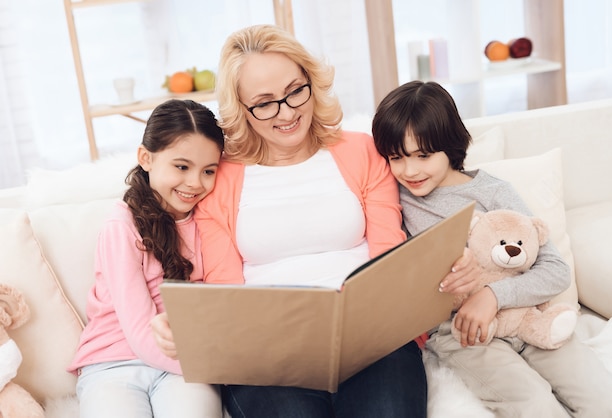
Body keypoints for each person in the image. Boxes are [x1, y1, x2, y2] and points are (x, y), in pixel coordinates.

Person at [151, 25, 478, 418]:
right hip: (266, 353)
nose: (287, 112)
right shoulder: (220, 177)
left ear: (311, 81)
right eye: (265, 103)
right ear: (242, 108)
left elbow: (391, 257)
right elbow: (224, 288)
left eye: (295, 91)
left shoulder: (363, 152)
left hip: (371, 338)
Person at [371, 80, 612, 418]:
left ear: (449, 145)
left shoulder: (493, 192)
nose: (409, 170)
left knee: (607, 403)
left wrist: (492, 295)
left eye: (423, 155)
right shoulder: (393, 199)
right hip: (463, 332)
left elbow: (554, 270)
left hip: (529, 318)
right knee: (536, 406)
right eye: (396, 158)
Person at [67, 99, 225, 418]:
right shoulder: (121, 226)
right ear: (146, 158)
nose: (195, 182)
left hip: (179, 367)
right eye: (182, 166)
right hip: (112, 364)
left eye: (208, 170)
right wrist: (214, 367)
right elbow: (140, 331)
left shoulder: (208, 219)